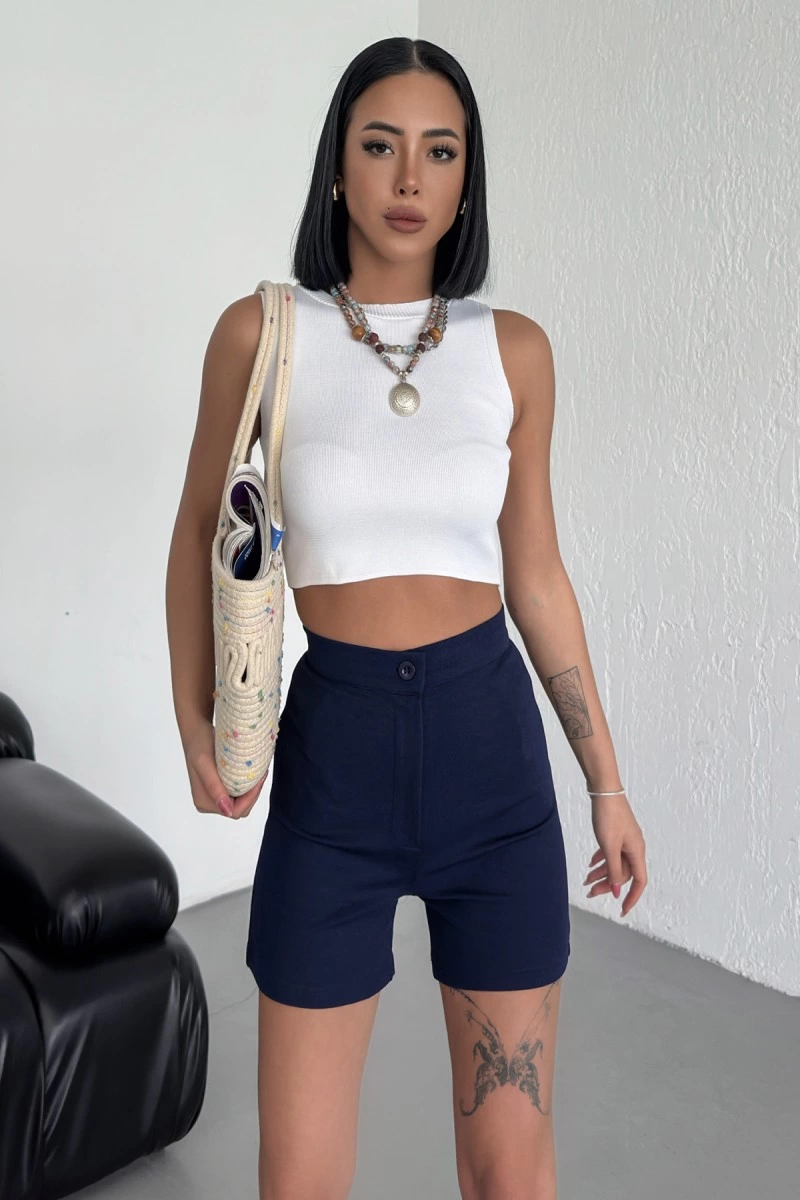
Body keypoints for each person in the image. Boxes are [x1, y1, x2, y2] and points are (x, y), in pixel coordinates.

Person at [166, 35, 648, 1200]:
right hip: (332, 765)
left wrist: (604, 780)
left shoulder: (511, 352)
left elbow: (535, 574)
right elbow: (196, 539)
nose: (407, 178)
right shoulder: (263, 335)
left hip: (491, 761)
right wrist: (197, 726)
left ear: (466, 178)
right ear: (337, 166)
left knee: (509, 1169)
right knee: (300, 1178)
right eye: (379, 145)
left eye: (440, 151)